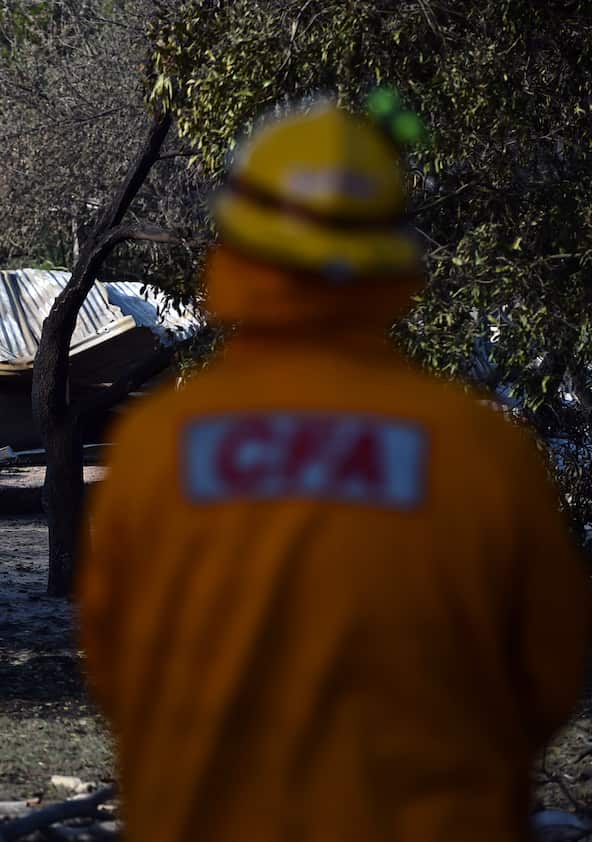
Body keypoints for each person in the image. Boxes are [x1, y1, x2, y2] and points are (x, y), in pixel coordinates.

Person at [78, 100, 590, 842]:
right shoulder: (478, 449)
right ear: (390, 248)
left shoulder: (158, 447)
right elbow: (547, 675)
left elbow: (115, 664)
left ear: (239, 242)